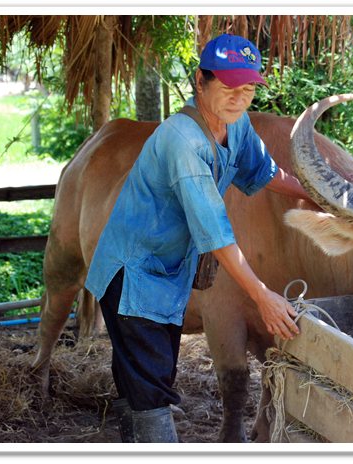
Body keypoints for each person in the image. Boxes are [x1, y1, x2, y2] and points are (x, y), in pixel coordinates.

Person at [84, 33, 311, 443]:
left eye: (247, 89)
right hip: (132, 273)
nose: (238, 99)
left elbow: (264, 172)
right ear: (200, 81)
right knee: (151, 387)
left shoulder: (235, 125)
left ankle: (133, 440)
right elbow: (215, 233)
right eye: (228, 87)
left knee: (145, 375)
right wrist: (262, 296)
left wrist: (312, 195)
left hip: (165, 272)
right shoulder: (183, 142)